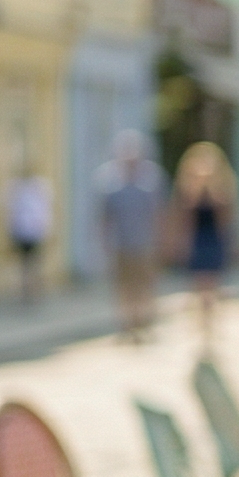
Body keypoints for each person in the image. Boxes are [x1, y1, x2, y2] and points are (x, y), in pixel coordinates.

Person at [97, 133, 165, 341]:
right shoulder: (110, 183)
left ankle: (143, 321)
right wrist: (104, 242)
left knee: (144, 284)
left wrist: (162, 240)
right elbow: (104, 217)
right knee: (123, 285)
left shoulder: (150, 181)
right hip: (120, 243)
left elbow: (158, 213)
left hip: (144, 242)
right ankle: (126, 323)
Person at [170, 141, 237, 348]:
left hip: (213, 240)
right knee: (199, 287)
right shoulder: (188, 192)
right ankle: (200, 323)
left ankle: (211, 323)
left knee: (213, 286)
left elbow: (226, 218)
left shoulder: (222, 191)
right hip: (198, 241)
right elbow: (183, 219)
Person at [5, 167, 52, 304]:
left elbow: (43, 210)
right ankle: (27, 289)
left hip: (33, 230)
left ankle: (33, 289)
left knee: (33, 261)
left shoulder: (37, 188)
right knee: (26, 262)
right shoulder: (18, 188)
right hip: (24, 230)